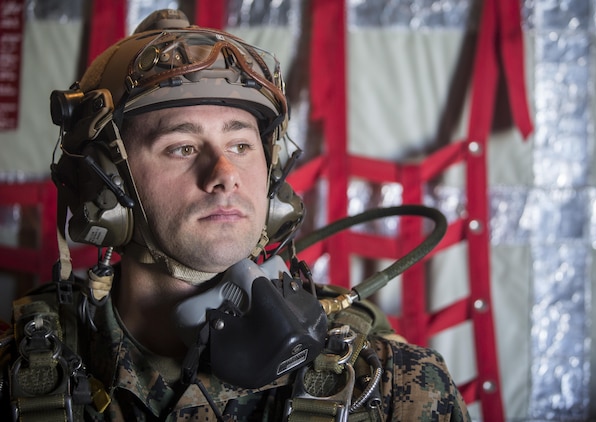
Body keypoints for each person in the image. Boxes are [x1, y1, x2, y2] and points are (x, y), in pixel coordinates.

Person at [0, 9, 471, 421]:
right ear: (106, 185)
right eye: (182, 147)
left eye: (241, 145)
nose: (225, 174)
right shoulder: (18, 381)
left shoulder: (394, 387)